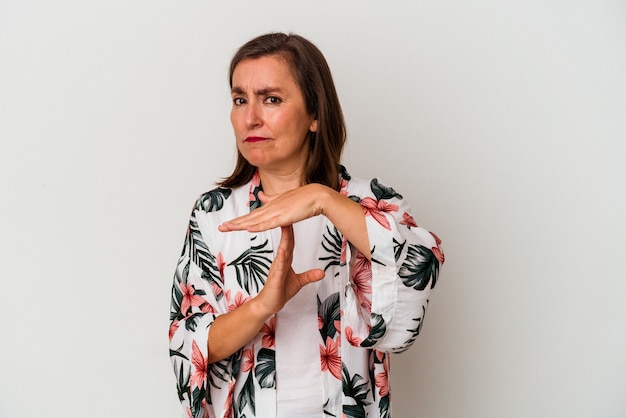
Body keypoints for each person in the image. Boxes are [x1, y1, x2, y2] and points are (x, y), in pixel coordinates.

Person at [169, 32, 444, 418]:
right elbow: (190, 344)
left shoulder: (370, 204)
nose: (250, 117)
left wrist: (322, 199)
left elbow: (418, 271)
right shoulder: (215, 213)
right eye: (239, 100)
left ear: (315, 114)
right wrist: (265, 304)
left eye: (271, 99)